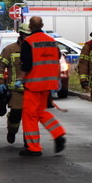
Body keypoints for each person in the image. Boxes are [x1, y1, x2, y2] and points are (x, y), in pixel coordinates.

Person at [18, 17, 66, 156]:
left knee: (29, 115)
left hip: (33, 84)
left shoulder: (28, 42)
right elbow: (56, 58)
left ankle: (33, 147)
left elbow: (27, 65)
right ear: (42, 25)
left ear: (30, 27)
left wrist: (21, 79)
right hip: (48, 83)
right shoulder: (51, 41)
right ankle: (58, 134)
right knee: (40, 112)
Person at [0, 25, 30, 144]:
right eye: (26, 34)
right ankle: (12, 130)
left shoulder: (35, 49)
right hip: (15, 90)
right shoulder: (10, 49)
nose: (28, 37)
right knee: (16, 114)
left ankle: (29, 140)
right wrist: (0, 83)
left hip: (32, 90)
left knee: (30, 116)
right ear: (20, 34)